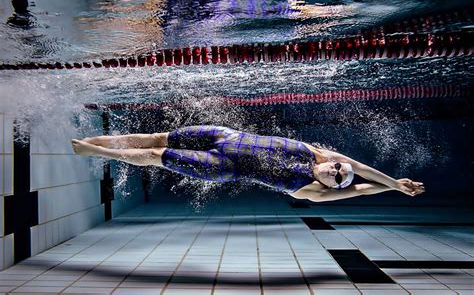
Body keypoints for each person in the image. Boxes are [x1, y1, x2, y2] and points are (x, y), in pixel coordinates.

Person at [71, 125, 425, 202]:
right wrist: (395, 182)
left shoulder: (310, 192)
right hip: (224, 136)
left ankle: (95, 152)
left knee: (153, 157)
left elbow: (359, 189)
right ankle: (89, 143)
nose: (336, 170)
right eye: (339, 168)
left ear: (329, 187)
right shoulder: (319, 154)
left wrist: (385, 190)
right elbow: (359, 168)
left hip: (219, 165)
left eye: (337, 178)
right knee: (155, 139)